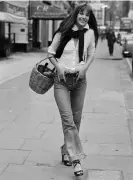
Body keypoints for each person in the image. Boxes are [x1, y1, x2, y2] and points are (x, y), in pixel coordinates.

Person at [47, 3, 98, 177]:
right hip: (61, 80)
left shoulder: (90, 33)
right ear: (76, 14)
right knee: (68, 120)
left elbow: (91, 53)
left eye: (87, 15)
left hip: (80, 80)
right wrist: (58, 68)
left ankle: (65, 149)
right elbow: (51, 53)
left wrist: (85, 68)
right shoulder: (63, 30)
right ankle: (76, 160)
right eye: (81, 13)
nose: (83, 17)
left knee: (75, 120)